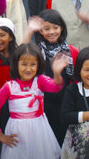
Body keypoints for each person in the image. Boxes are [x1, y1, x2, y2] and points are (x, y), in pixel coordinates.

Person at [0, 43, 68, 159]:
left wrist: (57, 74)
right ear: (16, 64)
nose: (28, 69)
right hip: (17, 136)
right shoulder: (9, 87)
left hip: (39, 133)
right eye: (24, 64)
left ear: (38, 65)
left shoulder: (40, 81)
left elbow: (56, 87)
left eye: (33, 64)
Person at [23, 10, 79, 144]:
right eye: (47, 28)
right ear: (40, 31)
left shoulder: (71, 51)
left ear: (62, 28)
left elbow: (78, 80)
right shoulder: (37, 51)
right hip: (43, 105)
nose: (52, 32)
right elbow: (20, 55)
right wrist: (29, 31)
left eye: (55, 27)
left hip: (66, 104)